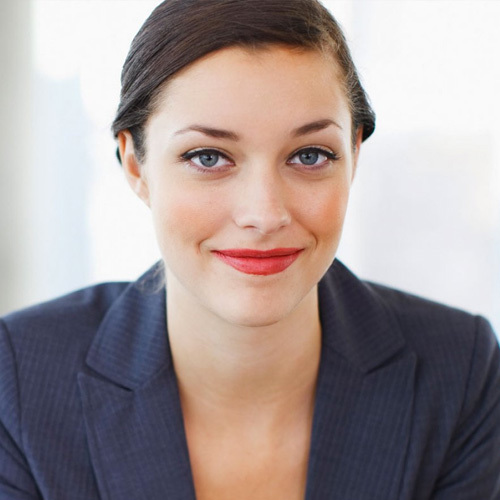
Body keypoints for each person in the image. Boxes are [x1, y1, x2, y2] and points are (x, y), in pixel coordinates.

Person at [0, 0, 499, 498]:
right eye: (208, 157)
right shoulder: (18, 382)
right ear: (135, 165)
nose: (264, 213)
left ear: (354, 154)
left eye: (310, 155)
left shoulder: (460, 373)